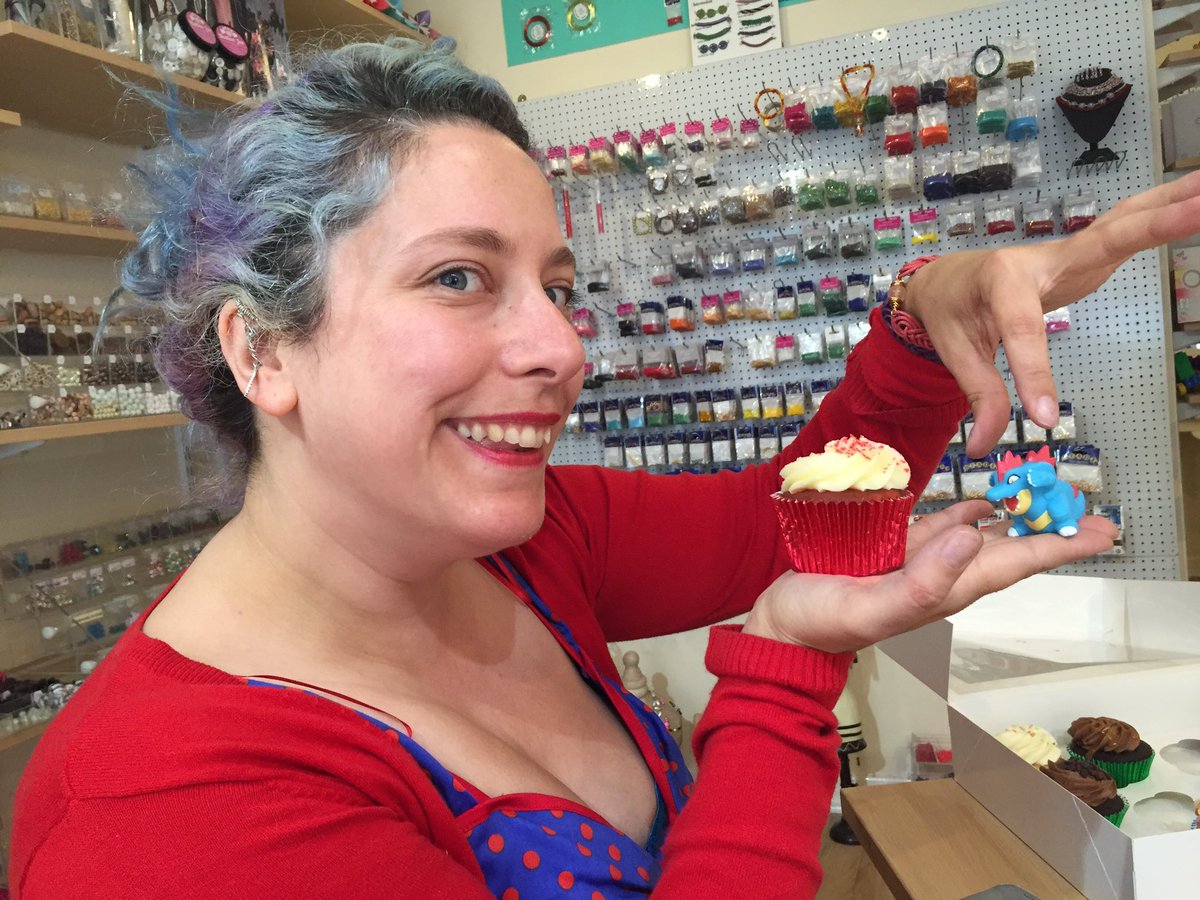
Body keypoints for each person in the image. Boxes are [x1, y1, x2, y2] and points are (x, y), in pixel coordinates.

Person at [10, 38, 1192, 898]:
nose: (563, 347)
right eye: (460, 277)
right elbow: (780, 598)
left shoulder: (523, 542)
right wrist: (784, 675)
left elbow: (772, 525)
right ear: (263, 348)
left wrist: (927, 319)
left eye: (560, 289)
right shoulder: (159, 812)